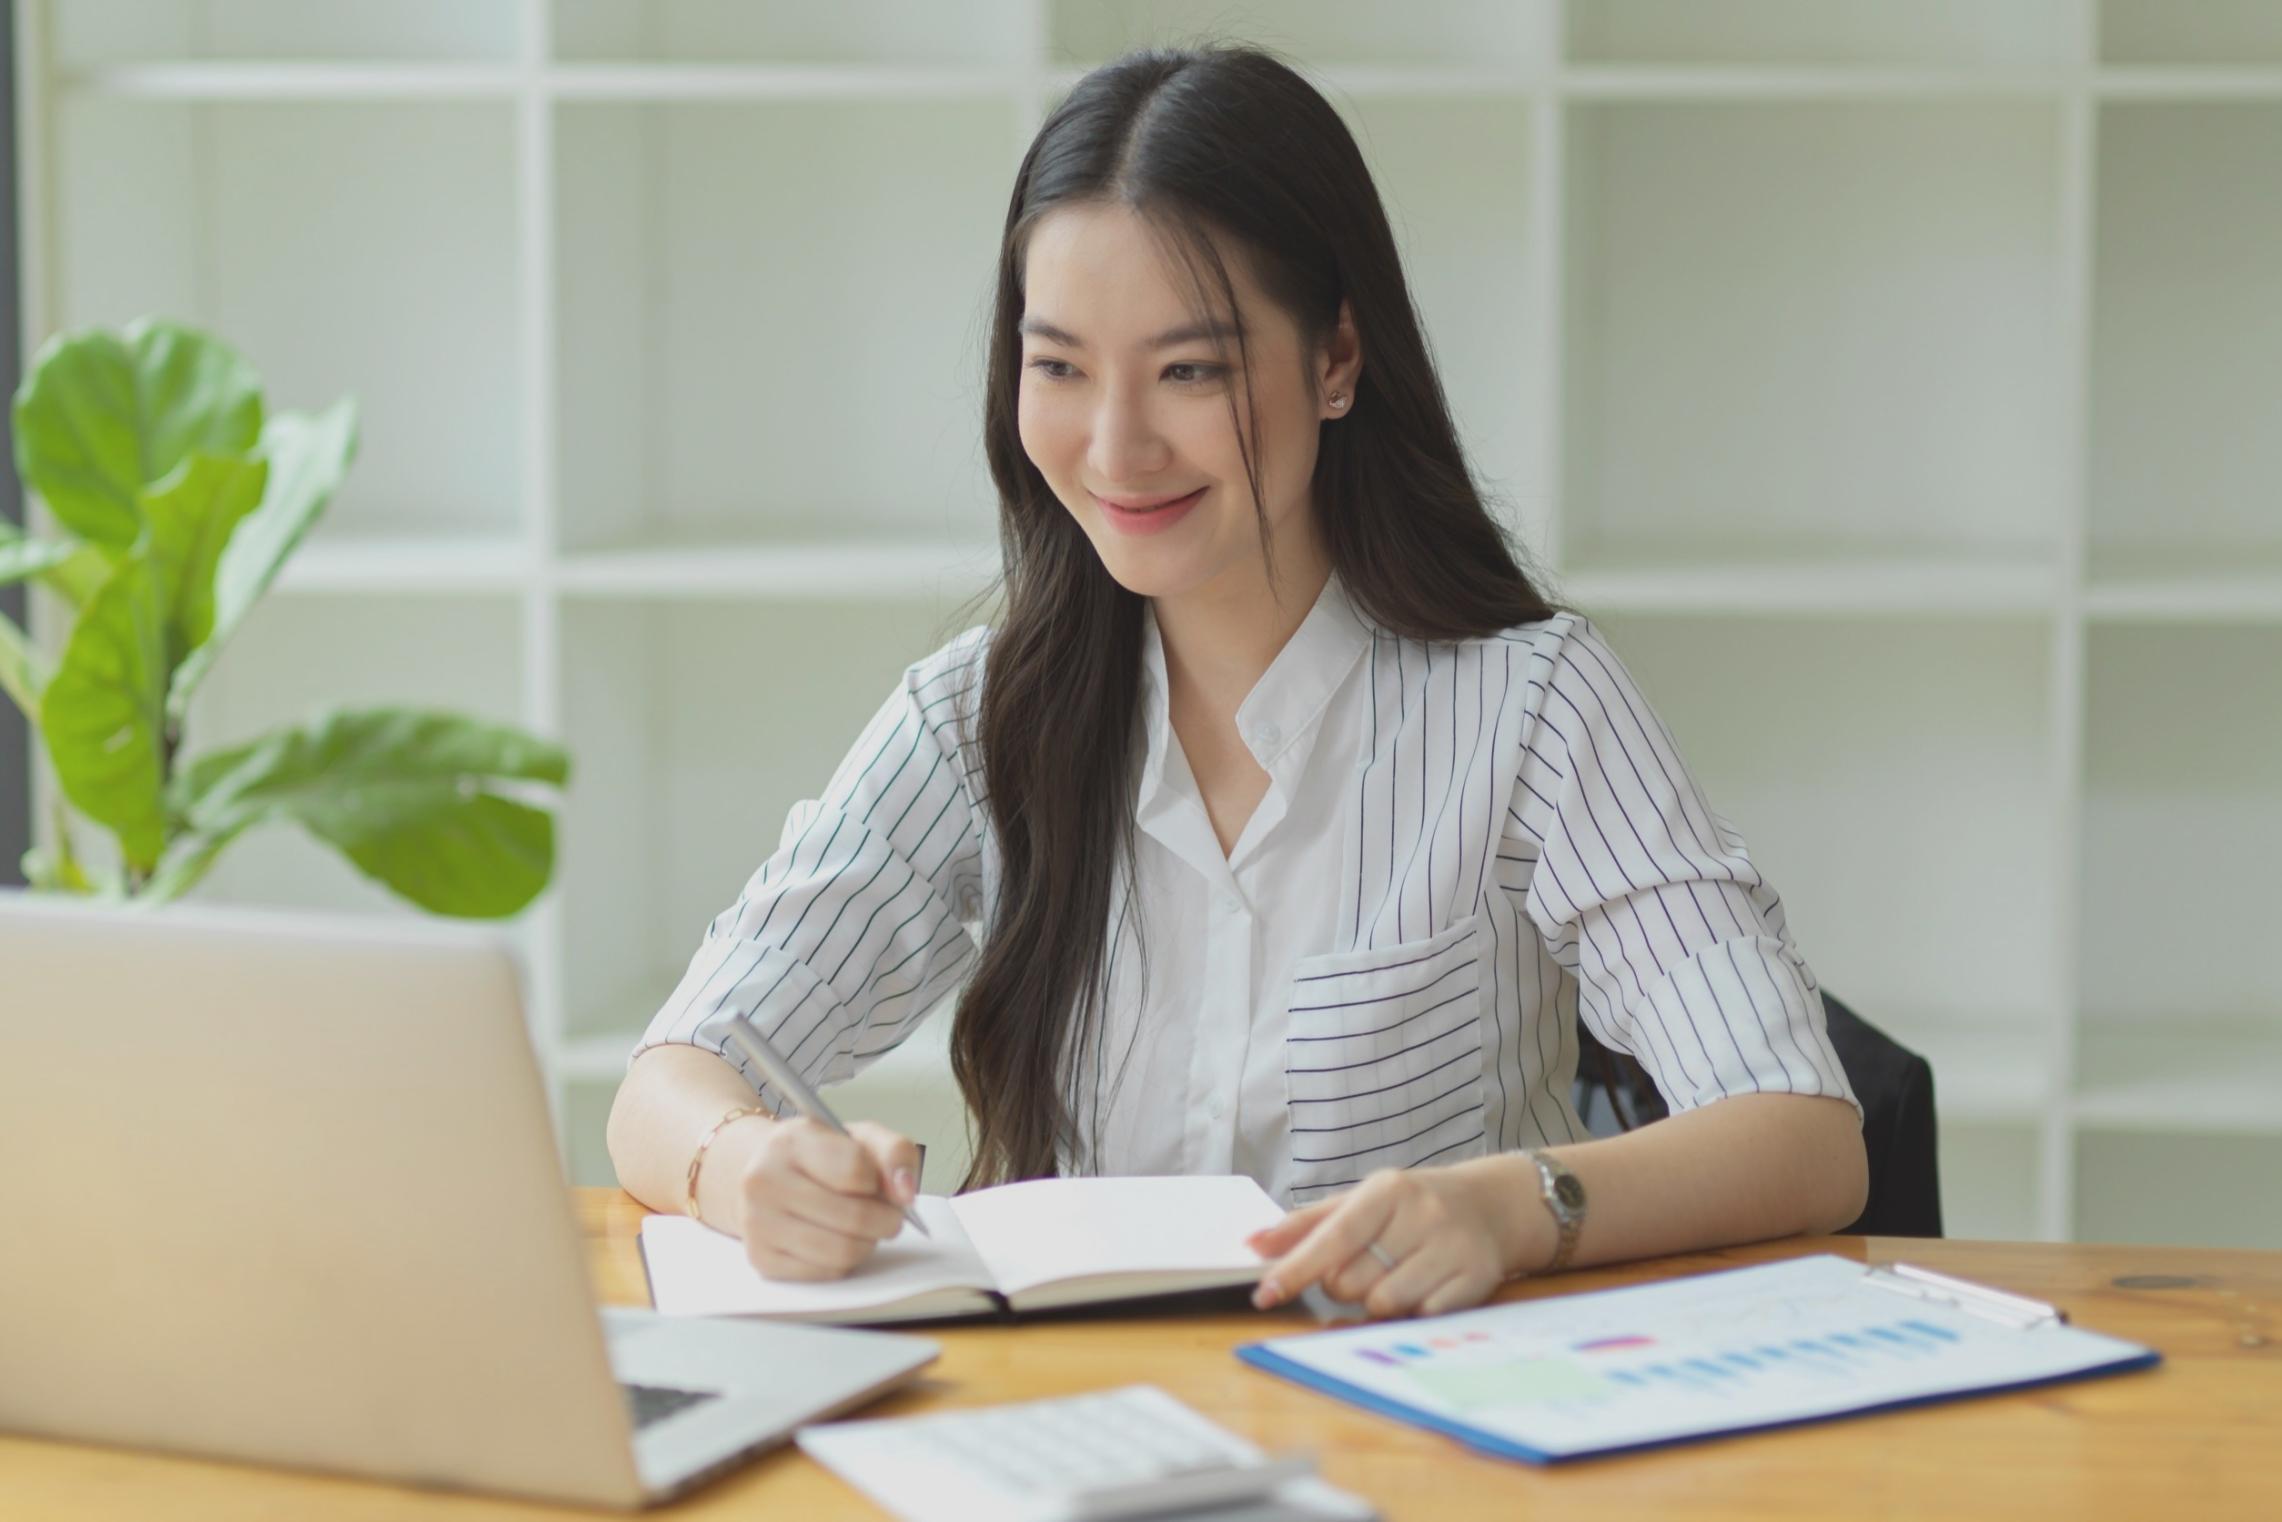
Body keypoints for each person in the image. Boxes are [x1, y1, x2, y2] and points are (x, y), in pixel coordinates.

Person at [606, 43, 1867, 1320]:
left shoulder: (1530, 708)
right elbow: (668, 1079)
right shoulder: (975, 721)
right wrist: (744, 1167)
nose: (1116, 448)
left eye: (1188, 371)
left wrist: (1507, 1206)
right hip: (1090, 1401)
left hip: (1419, 1401)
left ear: (1334, 359)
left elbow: (1802, 1132)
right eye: (1060, 367)